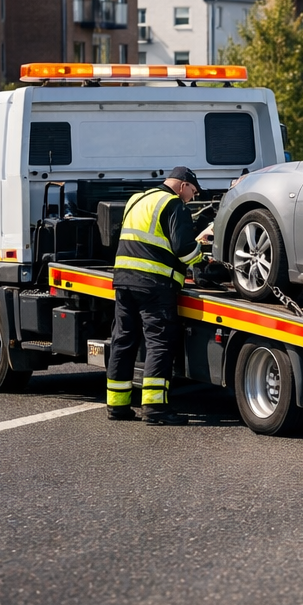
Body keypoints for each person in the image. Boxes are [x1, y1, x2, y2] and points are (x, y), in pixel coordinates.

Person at [105, 166, 206, 425]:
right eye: (192, 192)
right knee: (159, 343)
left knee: (123, 341)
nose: (192, 198)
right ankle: (155, 409)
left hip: (124, 281)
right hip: (154, 285)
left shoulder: (137, 199)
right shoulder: (174, 205)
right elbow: (184, 250)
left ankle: (117, 406)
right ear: (183, 185)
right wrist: (204, 255)